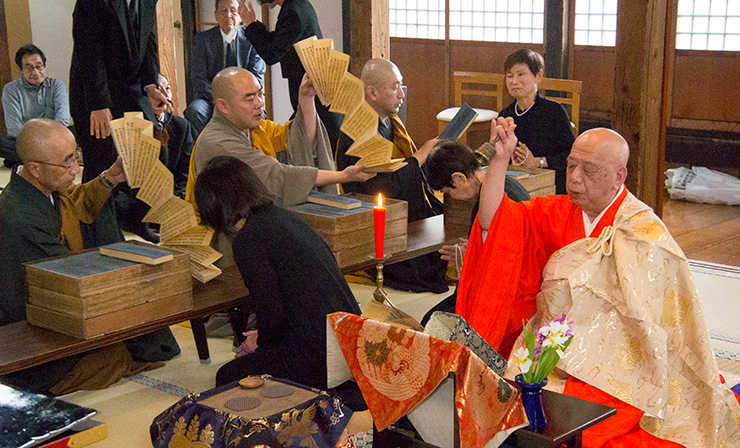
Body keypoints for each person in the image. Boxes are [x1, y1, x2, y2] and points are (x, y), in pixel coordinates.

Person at [460, 118, 740, 446]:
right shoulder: (557, 211)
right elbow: (495, 222)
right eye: (571, 166)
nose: (575, 178)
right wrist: (500, 160)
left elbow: (650, 321)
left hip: (625, 362)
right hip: (557, 352)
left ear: (619, 175)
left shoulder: (643, 231)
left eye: (589, 170)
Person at [0, 119, 168, 395]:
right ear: (34, 168)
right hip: (27, 330)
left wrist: (110, 177)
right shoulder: (18, 217)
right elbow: (66, 271)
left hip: (50, 312)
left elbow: (76, 201)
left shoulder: (42, 190)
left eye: (75, 157)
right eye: (67, 163)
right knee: (112, 357)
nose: (75, 169)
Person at [194, 155, 362, 390]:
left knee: (226, 376)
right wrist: (261, 337)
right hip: (350, 344)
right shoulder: (284, 218)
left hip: (319, 359)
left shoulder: (248, 239)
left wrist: (260, 345)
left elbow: (272, 313)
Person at [185, 67, 372, 210]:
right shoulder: (216, 141)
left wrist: (306, 98)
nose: (259, 104)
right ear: (223, 107)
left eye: (260, 94)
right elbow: (277, 175)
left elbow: (300, 143)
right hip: (225, 238)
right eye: (249, 99)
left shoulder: (257, 129)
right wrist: (343, 176)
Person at [336, 58, 447, 293]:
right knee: (426, 269)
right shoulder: (358, 129)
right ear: (372, 93)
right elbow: (379, 187)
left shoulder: (389, 121)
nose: (401, 94)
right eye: (395, 86)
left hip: (399, 205)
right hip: (373, 215)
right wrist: (419, 156)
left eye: (401, 85)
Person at [69, 0, 170, 242]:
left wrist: (150, 85)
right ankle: (100, 233)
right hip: (93, 92)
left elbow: (147, 41)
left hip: (131, 87)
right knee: (100, 163)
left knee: (155, 153)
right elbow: (89, 52)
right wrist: (99, 104)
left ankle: (135, 217)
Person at [419, 139, 530, 324]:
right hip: (491, 283)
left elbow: (510, 257)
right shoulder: (494, 187)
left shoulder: (496, 198)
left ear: (459, 178)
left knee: (432, 324)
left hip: (510, 294)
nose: (451, 197)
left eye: (447, 191)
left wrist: (468, 256)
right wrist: (471, 250)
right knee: (431, 318)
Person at [239, 0, 341, 147]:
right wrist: (252, 24)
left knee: (317, 143)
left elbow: (271, 53)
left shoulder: (293, 12)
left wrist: (251, 25)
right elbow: (277, 41)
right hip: (314, 86)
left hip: (314, 91)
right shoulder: (297, 5)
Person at [185, 0, 265, 141]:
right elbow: (198, 77)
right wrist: (218, 100)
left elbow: (257, 76)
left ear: (240, 15)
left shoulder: (252, 39)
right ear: (215, 15)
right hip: (211, 100)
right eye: (223, 10)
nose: (228, 15)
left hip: (244, 100)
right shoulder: (203, 39)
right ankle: (206, 157)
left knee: (259, 114)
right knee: (195, 111)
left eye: (233, 11)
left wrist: (238, 101)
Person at [498, 49, 575, 194]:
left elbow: (571, 156)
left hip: (549, 186)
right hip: (514, 185)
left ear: (538, 77)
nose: (514, 81)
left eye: (520, 74)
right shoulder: (505, 115)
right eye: (509, 76)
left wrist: (538, 162)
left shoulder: (554, 111)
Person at [1, 45, 70, 168]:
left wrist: (48, 142)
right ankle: (49, 160)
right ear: (21, 70)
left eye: (39, 66)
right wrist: (38, 144)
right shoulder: (10, 90)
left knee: (75, 131)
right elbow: (14, 128)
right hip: (26, 142)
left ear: (44, 66)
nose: (35, 72)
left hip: (54, 140)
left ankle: (27, 160)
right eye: (29, 68)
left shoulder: (56, 85)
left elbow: (63, 118)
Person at [151, 73, 193, 198]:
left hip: (172, 198)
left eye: (167, 89)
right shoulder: (134, 124)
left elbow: (184, 174)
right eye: (158, 89)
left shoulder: (181, 126)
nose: (165, 95)